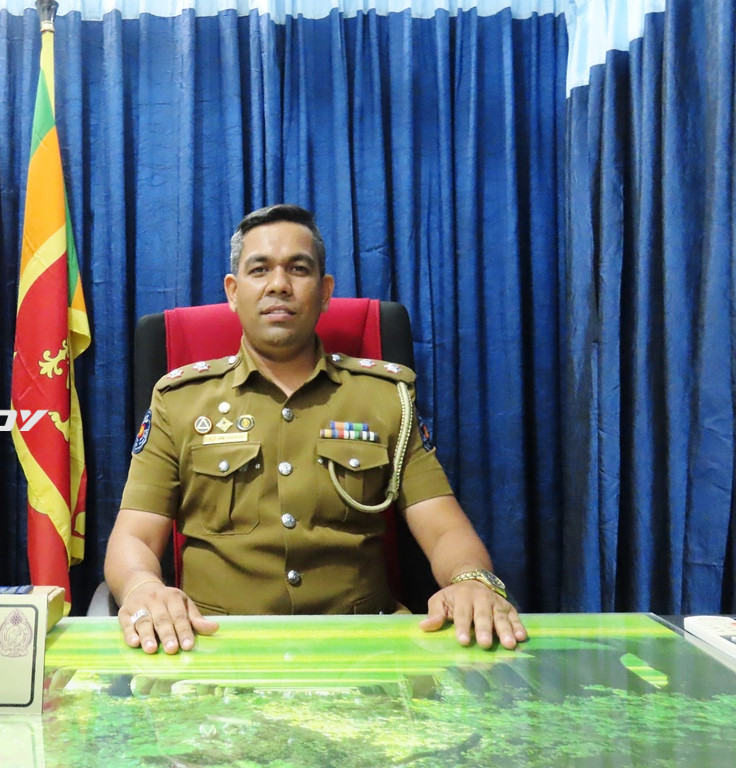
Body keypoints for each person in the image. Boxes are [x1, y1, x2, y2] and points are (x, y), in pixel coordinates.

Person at [105, 204, 528, 656]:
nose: (278, 284)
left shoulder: (385, 397)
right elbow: (134, 536)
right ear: (233, 291)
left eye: (298, 269)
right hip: (215, 651)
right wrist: (143, 587)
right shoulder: (179, 401)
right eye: (259, 270)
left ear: (325, 292)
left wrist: (470, 581)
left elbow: (443, 528)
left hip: (364, 653)